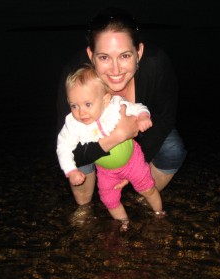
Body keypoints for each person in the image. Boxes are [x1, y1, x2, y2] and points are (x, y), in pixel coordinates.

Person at [56, 7, 187, 209]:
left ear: (139, 52)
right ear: (91, 55)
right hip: (91, 138)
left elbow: (165, 119)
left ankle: (142, 199)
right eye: (104, 57)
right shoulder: (74, 77)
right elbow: (65, 145)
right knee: (83, 201)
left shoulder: (156, 65)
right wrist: (115, 138)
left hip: (140, 130)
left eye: (125, 56)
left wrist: (133, 165)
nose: (115, 70)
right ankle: (85, 213)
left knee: (173, 149)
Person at [57, 64, 165, 230]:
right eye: (74, 105)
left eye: (87, 104)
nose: (81, 112)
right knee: (108, 199)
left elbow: (138, 107)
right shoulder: (73, 123)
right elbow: (63, 146)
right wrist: (70, 170)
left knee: (147, 188)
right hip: (106, 170)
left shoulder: (115, 105)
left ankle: (159, 213)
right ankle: (124, 222)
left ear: (105, 100)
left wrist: (143, 116)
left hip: (132, 161)